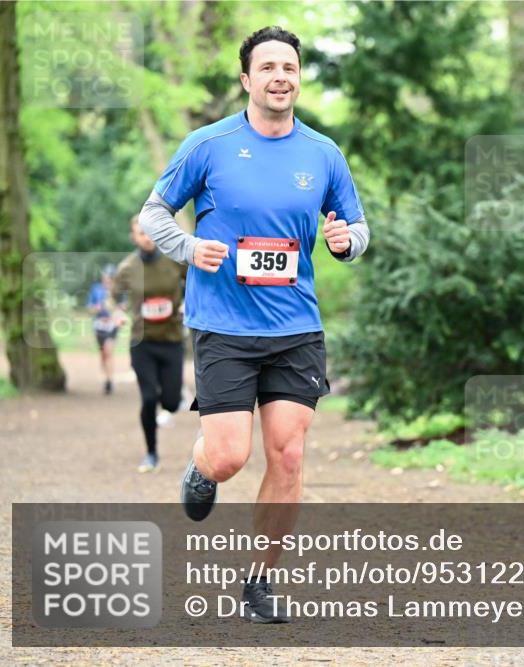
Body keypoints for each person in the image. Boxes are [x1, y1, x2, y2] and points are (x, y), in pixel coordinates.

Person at [137, 26, 370, 623]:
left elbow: (356, 230)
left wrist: (346, 242)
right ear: (247, 80)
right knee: (231, 457)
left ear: (298, 77)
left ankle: (261, 580)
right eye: (267, 67)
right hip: (224, 325)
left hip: (296, 325)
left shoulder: (323, 153)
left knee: (288, 455)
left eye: (289, 67)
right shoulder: (209, 145)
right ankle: (200, 465)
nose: (280, 76)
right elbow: (154, 212)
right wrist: (189, 249)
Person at [111, 215, 188, 473]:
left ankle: (171, 401)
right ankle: (151, 453)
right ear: (134, 237)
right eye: (140, 233)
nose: (146, 237)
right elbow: (113, 298)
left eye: (149, 232)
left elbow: (196, 282)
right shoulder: (127, 268)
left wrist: (190, 303)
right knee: (147, 398)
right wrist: (118, 312)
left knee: (170, 401)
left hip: (172, 340)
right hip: (141, 343)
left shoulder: (174, 261)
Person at [87, 265, 119, 394]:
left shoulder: (118, 290)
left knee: (108, 350)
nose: (108, 279)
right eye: (106, 276)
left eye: (111, 276)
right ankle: (106, 376)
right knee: (103, 354)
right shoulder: (96, 289)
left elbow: (123, 306)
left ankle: (109, 381)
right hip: (99, 324)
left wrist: (116, 310)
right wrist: (98, 307)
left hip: (112, 324)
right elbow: (90, 308)